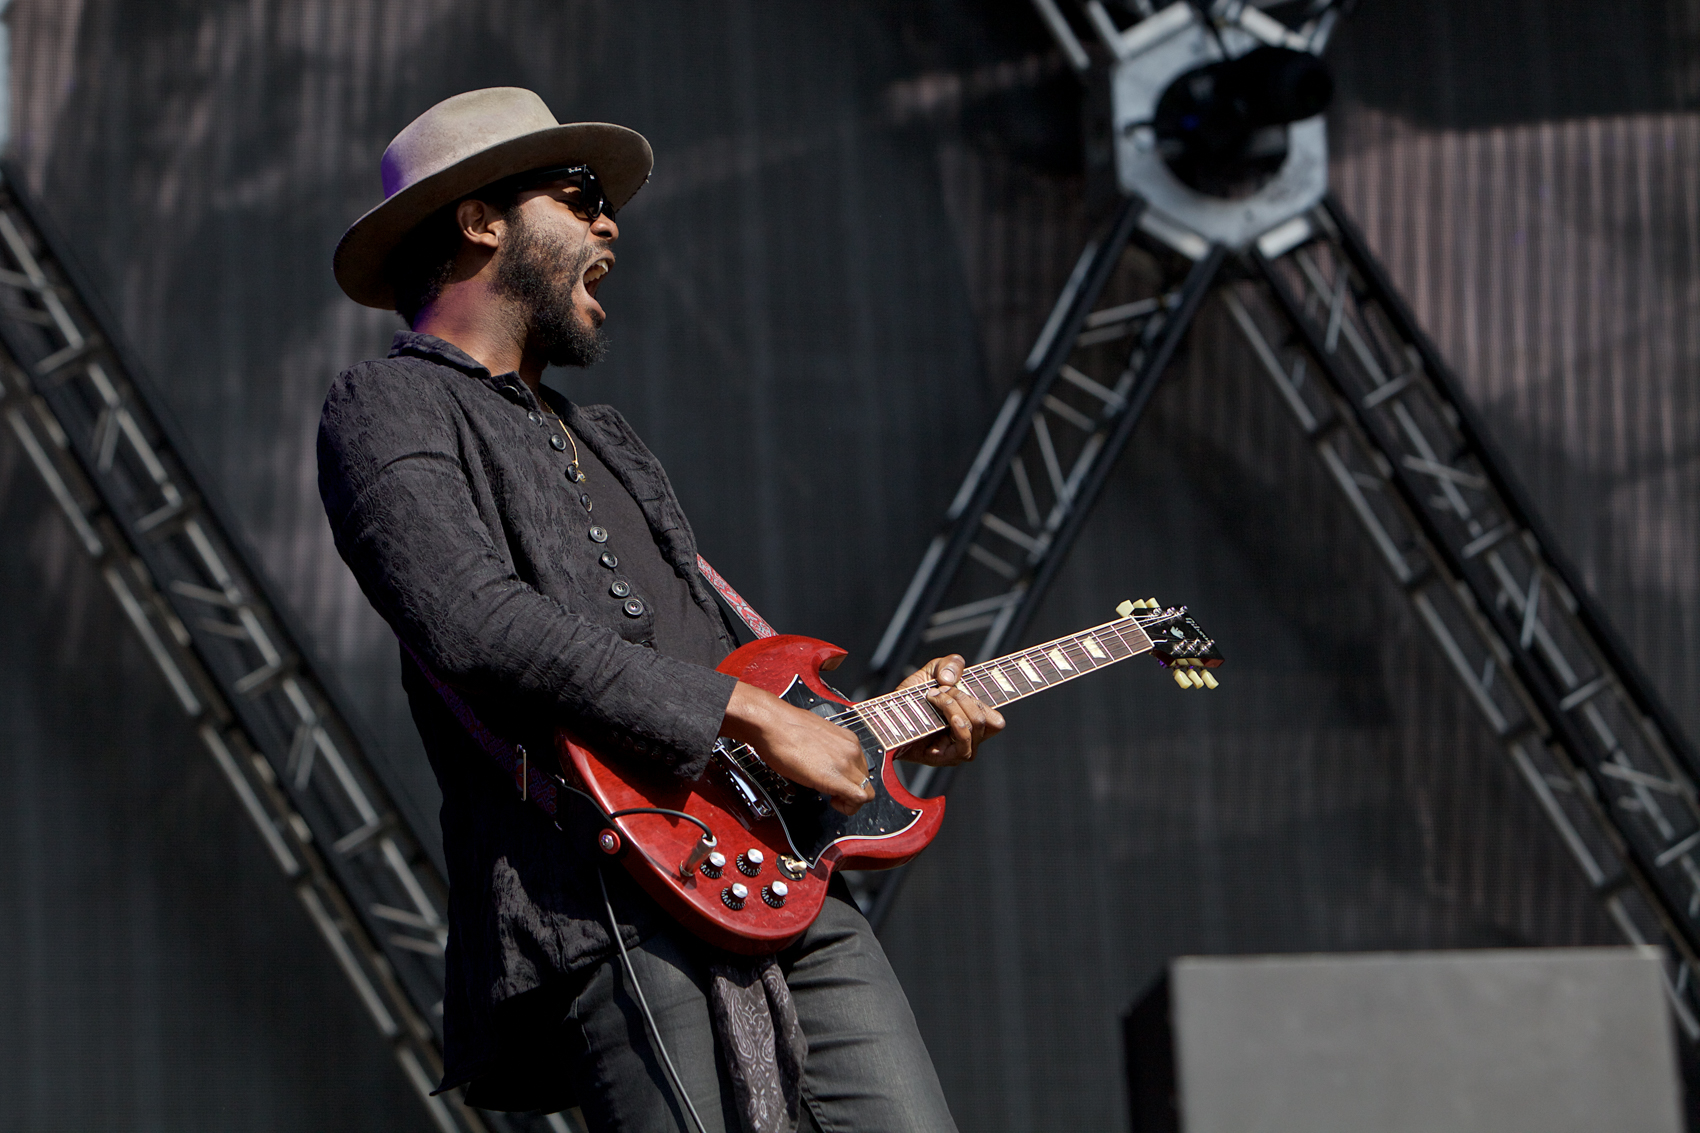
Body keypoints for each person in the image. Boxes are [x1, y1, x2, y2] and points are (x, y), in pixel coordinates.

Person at [318, 87, 1004, 1133]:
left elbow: (738, 666)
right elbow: (470, 617)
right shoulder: (387, 404)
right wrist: (759, 718)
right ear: (479, 218)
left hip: (784, 884)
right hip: (602, 892)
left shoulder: (610, 439)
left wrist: (873, 721)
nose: (610, 224)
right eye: (580, 195)